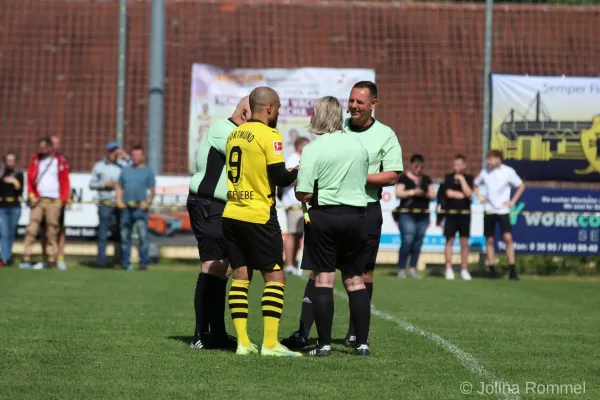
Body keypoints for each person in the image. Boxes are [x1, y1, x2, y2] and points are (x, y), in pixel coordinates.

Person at [282, 81, 403, 349]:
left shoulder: (385, 135)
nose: (354, 106)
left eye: (360, 102)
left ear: (373, 105)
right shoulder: (340, 130)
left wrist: (349, 179)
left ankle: (353, 334)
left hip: (363, 207)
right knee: (322, 275)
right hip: (344, 208)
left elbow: (392, 175)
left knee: (360, 275)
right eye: (350, 101)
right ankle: (304, 332)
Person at [222, 86, 301, 357]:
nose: (277, 113)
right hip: (258, 214)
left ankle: (243, 342)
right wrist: (300, 172)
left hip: (232, 212)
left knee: (241, 276)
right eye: (277, 109)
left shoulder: (234, 134)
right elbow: (279, 177)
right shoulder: (270, 135)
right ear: (269, 108)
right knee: (275, 276)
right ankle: (269, 343)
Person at [296, 96, 371, 357]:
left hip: (324, 217)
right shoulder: (358, 145)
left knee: (324, 280)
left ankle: (324, 344)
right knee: (355, 281)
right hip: (356, 217)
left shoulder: (314, 148)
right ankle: (362, 344)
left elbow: (303, 193)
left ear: (319, 116)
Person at [187, 96, 251, 350]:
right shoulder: (222, 130)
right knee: (212, 266)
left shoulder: (235, 132)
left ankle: (217, 332)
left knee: (223, 268)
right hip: (208, 203)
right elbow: (249, 155)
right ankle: (201, 334)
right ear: (246, 114)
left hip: (221, 206)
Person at [474, 150, 526, 280]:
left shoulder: (508, 171)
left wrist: (513, 201)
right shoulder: (485, 172)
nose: (488, 162)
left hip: (503, 210)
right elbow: (475, 184)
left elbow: (521, 186)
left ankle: (512, 270)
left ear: (498, 159)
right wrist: (480, 197)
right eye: (487, 159)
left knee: (507, 237)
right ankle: (491, 269)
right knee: (490, 239)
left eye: (490, 159)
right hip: (489, 210)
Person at [21, 137, 71, 270]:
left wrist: (64, 198)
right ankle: (26, 257)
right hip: (38, 200)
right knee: (32, 229)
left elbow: (65, 181)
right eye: (40, 147)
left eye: (44, 147)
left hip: (54, 201)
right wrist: (31, 195)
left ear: (50, 147)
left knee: (52, 230)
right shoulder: (36, 160)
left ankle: (51, 259)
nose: (42, 149)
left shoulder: (60, 161)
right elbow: (30, 179)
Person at [89, 141, 132, 268]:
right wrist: (104, 185)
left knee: (122, 233)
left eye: (116, 151)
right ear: (107, 152)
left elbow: (135, 170)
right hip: (105, 202)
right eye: (112, 151)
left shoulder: (124, 165)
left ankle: (122, 262)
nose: (114, 154)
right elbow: (91, 184)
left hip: (121, 203)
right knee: (103, 233)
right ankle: (101, 262)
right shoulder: (99, 166)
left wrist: (126, 157)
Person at [395, 154, 436, 278]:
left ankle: (413, 268)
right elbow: (398, 193)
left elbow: (433, 195)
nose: (419, 168)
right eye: (416, 166)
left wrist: (426, 194)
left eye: (421, 166)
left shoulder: (426, 179)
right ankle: (402, 268)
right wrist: (413, 192)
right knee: (408, 239)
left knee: (418, 242)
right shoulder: (403, 178)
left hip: (423, 215)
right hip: (407, 213)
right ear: (411, 165)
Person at [116, 145, 156, 271]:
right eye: (133, 155)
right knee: (125, 237)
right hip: (126, 208)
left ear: (142, 156)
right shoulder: (125, 170)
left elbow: (152, 190)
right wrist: (118, 201)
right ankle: (125, 263)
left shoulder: (148, 171)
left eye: (138, 155)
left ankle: (143, 264)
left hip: (140, 209)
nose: (135, 158)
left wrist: (147, 202)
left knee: (143, 237)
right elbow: (119, 187)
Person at [441, 154, 474, 280]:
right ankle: (448, 268)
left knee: (464, 243)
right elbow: (448, 193)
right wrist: (461, 194)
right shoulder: (448, 177)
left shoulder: (469, 178)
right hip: (451, 214)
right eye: (455, 164)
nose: (457, 167)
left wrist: (461, 180)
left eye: (459, 164)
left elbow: (469, 194)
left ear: (464, 165)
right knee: (449, 241)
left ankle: (464, 269)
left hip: (465, 215)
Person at [281, 136, 310, 275]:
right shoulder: (293, 159)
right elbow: (287, 179)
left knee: (298, 235)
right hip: (294, 204)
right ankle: (288, 264)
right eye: (306, 145)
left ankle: (293, 263)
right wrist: (301, 176)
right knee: (292, 234)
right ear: (299, 146)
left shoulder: (303, 159)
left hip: (301, 203)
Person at [0, 152, 24, 267]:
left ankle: (8, 256)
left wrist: (15, 182)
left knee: (11, 232)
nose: (9, 162)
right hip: (2, 207)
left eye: (12, 160)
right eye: (8, 160)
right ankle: (4, 257)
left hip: (15, 207)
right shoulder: (1, 173)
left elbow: (20, 192)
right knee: (3, 233)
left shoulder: (19, 174)